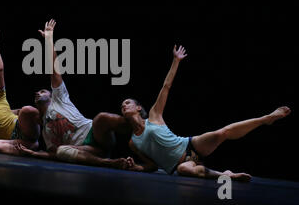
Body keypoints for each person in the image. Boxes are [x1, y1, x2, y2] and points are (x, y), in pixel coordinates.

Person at [121, 44, 291, 181]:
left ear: (138, 108)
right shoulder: (133, 142)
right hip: (179, 166)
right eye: (122, 105)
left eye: (127, 102)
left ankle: (265, 118)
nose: (124, 105)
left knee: (222, 132)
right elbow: (151, 165)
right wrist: (136, 167)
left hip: (189, 145)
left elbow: (166, 86)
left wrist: (176, 61)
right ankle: (226, 175)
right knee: (184, 169)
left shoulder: (154, 116)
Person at [16, 19, 130, 169]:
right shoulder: (46, 131)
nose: (38, 92)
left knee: (101, 118)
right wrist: (33, 154)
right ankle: (111, 163)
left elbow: (54, 69)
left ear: (51, 95)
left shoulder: (59, 98)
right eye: (37, 92)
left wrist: (49, 39)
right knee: (62, 151)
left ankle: (141, 129)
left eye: (43, 91)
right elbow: (53, 154)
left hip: (95, 133)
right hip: (87, 151)